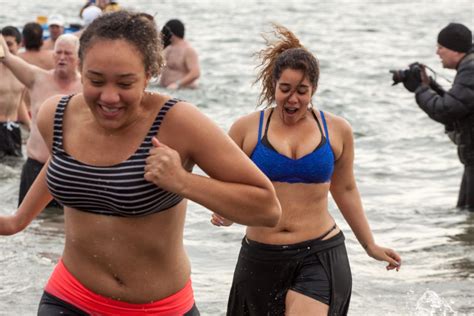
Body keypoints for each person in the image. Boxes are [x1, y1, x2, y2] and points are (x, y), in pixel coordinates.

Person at [0, 11, 281, 315]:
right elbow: (64, 167)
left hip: (159, 308)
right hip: (69, 298)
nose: (109, 97)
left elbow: (267, 208)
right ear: (81, 68)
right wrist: (18, 220)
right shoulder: (56, 115)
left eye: (125, 83)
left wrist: (183, 182)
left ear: (149, 74)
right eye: (95, 80)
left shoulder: (178, 122)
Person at [211, 25, 402, 315]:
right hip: (261, 255)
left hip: (320, 251)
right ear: (273, 85)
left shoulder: (337, 130)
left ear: (314, 89)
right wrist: (224, 211)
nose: (293, 99)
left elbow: (346, 188)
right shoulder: (246, 128)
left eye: (302, 91)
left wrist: (369, 245)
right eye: (285, 89)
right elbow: (225, 183)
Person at [0, 33, 82, 207]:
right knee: (30, 226)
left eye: (68, 54)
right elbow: (5, 56)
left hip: (70, 170)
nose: (62, 57)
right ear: (52, 55)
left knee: (61, 225)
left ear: (79, 58)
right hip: (35, 167)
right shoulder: (37, 78)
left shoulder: (87, 87)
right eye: (58, 52)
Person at [402, 23, 474, 210]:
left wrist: (420, 89)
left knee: (468, 213)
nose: (437, 53)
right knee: (467, 217)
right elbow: (459, 105)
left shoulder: (471, 69)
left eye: (441, 47)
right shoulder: (469, 66)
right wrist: (430, 87)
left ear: (456, 50)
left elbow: (446, 110)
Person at [0, 26, 30, 159]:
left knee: (15, 167)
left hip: (13, 128)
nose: (6, 48)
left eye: (9, 44)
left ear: (20, 44)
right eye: (3, 44)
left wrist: (31, 127)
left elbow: (20, 103)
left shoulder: (22, 70)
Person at [159, 19, 200, 89]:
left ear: (171, 33)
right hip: (164, 89)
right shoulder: (167, 48)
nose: (163, 35)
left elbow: (195, 73)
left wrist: (177, 84)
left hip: (183, 91)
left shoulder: (188, 50)